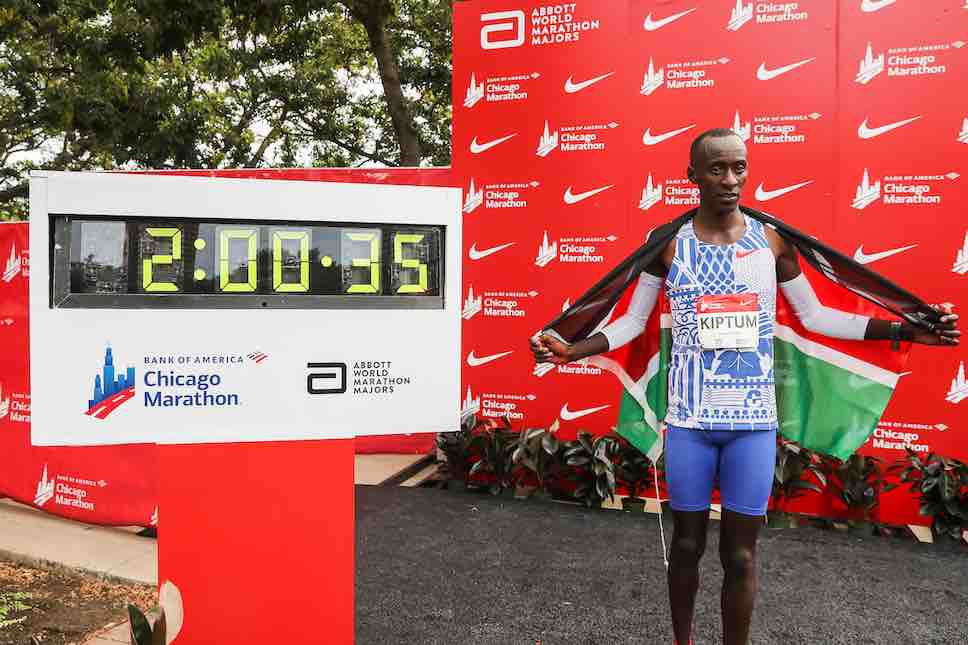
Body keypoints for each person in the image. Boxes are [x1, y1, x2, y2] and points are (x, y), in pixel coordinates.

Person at [529, 128, 960, 645]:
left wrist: (903, 329)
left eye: (739, 168)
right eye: (716, 169)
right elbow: (632, 321)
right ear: (692, 176)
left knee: (741, 554)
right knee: (686, 547)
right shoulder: (667, 244)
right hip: (689, 422)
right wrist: (574, 350)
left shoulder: (772, 241)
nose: (730, 180)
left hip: (752, 425)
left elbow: (815, 316)